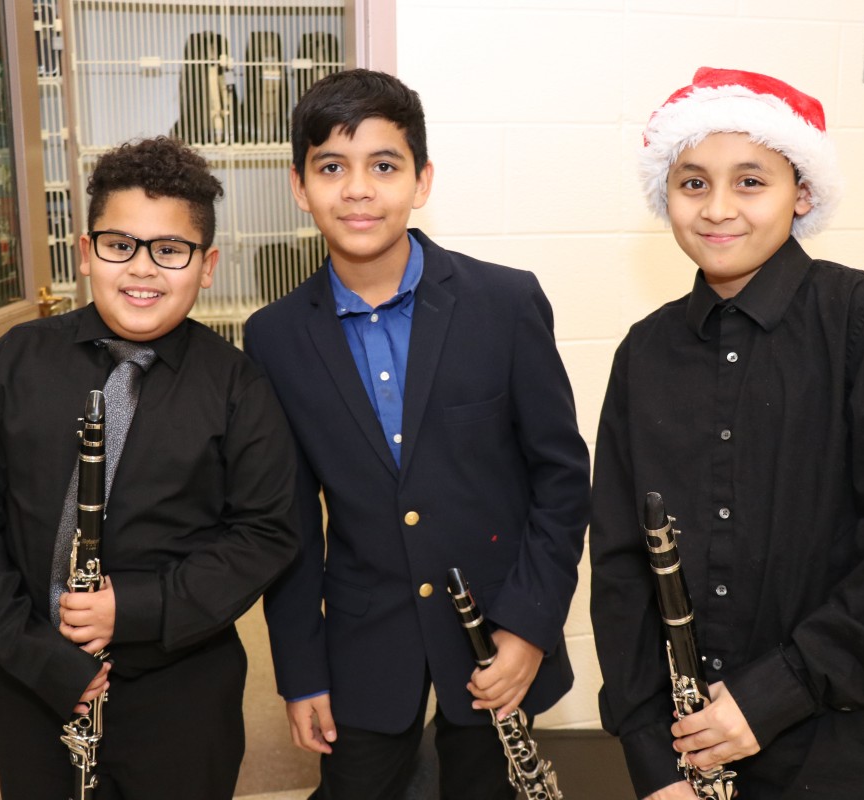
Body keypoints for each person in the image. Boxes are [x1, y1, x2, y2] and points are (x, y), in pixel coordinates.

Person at [590, 67, 864, 800]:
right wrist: (649, 753)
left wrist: (775, 694)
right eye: (693, 182)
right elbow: (618, 564)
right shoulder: (644, 352)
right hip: (686, 745)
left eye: (751, 181)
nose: (718, 208)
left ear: (802, 194)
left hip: (839, 738)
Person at [243, 68, 592, 800]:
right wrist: (301, 671)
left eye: (384, 165)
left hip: (495, 637)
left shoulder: (505, 302)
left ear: (422, 180)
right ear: (300, 188)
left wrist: (528, 628)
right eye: (331, 167)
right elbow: (290, 525)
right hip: (366, 646)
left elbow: (560, 479)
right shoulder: (273, 337)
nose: (358, 189)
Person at [0, 136, 299, 800]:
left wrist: (133, 610)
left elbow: (265, 532)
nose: (143, 270)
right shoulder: (16, 362)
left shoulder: (238, 387)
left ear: (207, 265)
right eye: (119, 244)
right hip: (33, 680)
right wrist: (29, 649)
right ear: (85, 252)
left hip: (181, 691)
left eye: (170, 250)